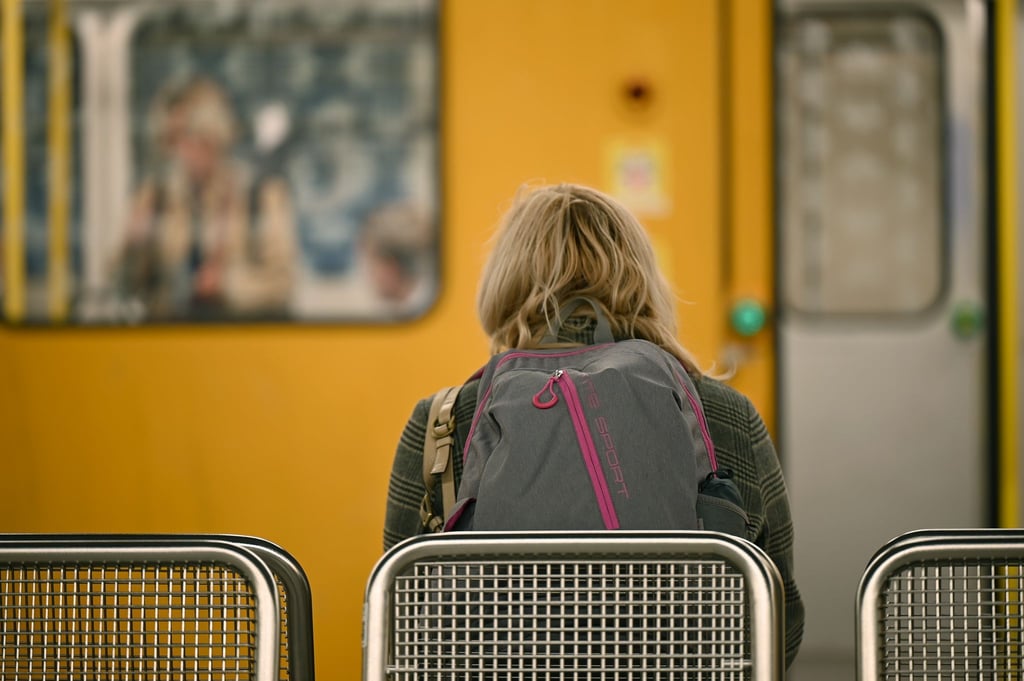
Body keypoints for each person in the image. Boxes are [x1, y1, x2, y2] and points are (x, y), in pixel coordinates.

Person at [383, 182, 804, 666]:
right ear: (644, 280)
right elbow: (780, 619)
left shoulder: (441, 421)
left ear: (504, 284)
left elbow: (402, 617)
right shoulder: (723, 413)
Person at [117, 76, 296, 321]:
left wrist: (227, 285)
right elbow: (125, 288)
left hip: (243, 340)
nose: (181, 149)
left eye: (188, 135)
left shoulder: (262, 195)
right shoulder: (154, 198)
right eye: (171, 138)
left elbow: (282, 283)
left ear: (215, 134)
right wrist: (133, 251)